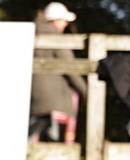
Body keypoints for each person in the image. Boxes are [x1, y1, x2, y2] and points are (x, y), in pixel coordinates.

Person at [30, 2, 88, 142]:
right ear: (55, 21)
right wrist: (86, 91)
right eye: (64, 21)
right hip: (54, 100)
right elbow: (71, 69)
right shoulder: (57, 39)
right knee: (54, 137)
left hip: (32, 96)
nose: (66, 24)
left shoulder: (31, 33)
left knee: (33, 133)